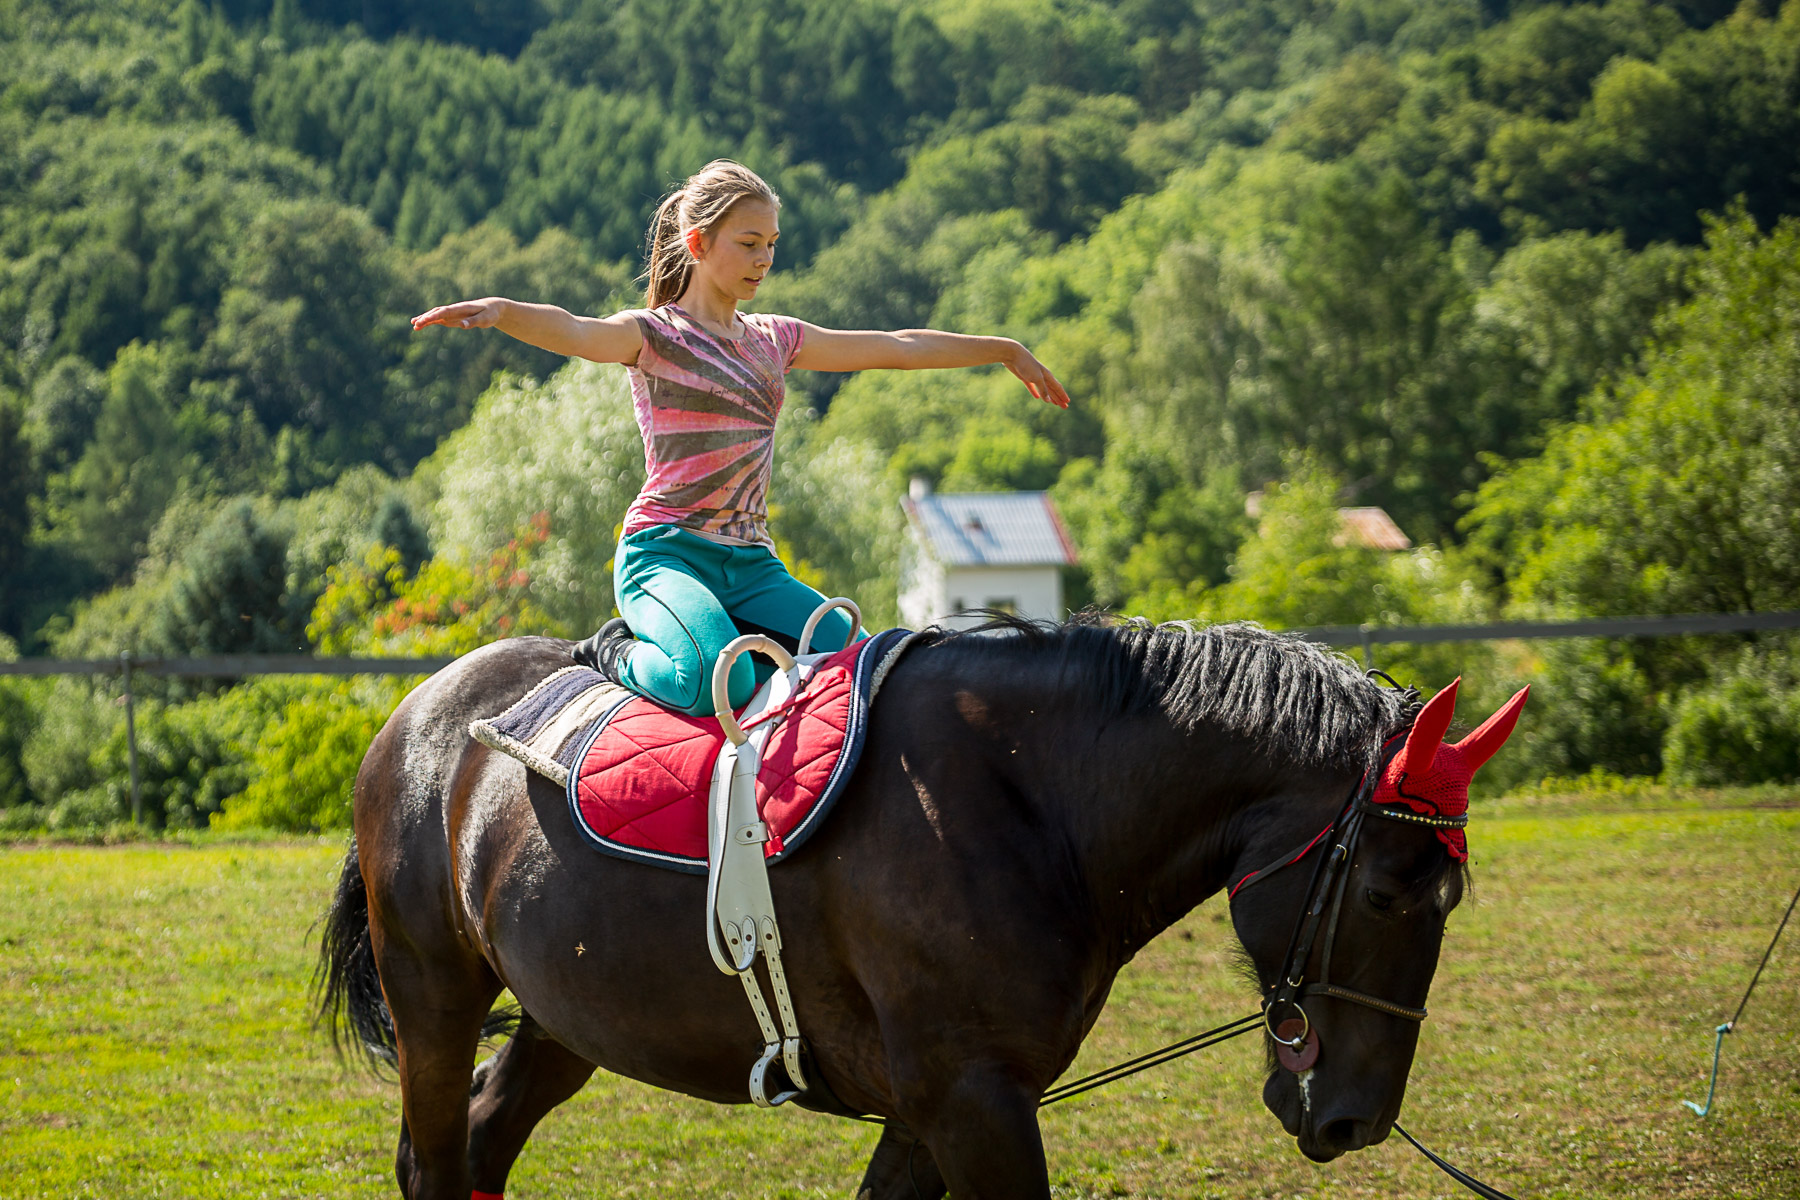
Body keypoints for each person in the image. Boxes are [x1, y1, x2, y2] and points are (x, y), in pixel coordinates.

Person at [412, 159, 1070, 716]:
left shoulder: (774, 340)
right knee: (718, 681)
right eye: (749, 243)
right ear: (698, 244)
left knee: (869, 670)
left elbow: (896, 346)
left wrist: (1002, 349)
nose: (765, 260)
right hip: (665, 557)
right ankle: (615, 652)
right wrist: (503, 312)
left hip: (753, 566)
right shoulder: (655, 335)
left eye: (772, 245)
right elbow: (577, 331)